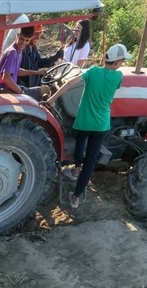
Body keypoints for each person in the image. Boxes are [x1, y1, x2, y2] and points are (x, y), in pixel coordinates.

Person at [47, 44, 127, 210]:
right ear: (117, 62)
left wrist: (52, 99)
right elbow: (111, 78)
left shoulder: (92, 71)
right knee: (90, 160)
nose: (122, 64)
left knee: (80, 140)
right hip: (101, 124)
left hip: (84, 121)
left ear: (105, 58)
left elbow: (70, 83)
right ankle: (76, 197)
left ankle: (76, 170)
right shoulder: (119, 76)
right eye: (122, 61)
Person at [18, 27, 66, 99]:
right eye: (36, 34)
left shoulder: (33, 48)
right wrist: (37, 73)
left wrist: (56, 56)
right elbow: (18, 72)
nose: (38, 37)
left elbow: (40, 62)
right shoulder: (21, 50)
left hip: (33, 84)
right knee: (47, 91)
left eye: (40, 34)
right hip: (24, 88)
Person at [0, 27, 34, 94]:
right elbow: (6, 78)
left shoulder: (18, 51)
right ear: (17, 35)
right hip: (5, 90)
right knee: (43, 90)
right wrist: (20, 91)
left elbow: (17, 71)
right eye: (21, 39)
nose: (23, 43)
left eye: (27, 40)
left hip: (11, 88)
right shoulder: (12, 52)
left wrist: (37, 72)